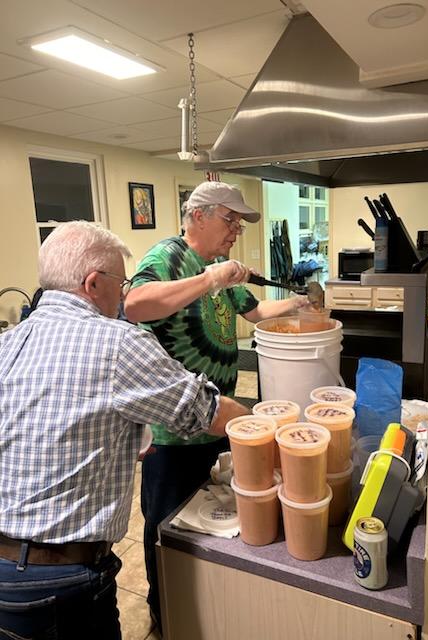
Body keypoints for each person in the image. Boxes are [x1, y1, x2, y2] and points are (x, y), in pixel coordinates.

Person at [0, 221, 248, 640]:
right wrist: (271, 424)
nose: (124, 293)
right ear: (93, 283)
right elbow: (205, 410)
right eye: (122, 282)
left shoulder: (7, 343)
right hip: (61, 581)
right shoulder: (117, 342)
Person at [124, 181, 308, 631]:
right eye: (231, 220)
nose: (236, 232)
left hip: (219, 421)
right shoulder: (167, 258)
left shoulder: (219, 267)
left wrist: (299, 304)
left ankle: (203, 604)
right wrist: (210, 278)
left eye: (240, 224)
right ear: (199, 216)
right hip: (176, 432)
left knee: (211, 523)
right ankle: (163, 609)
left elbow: (255, 312)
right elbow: (134, 305)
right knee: (167, 529)